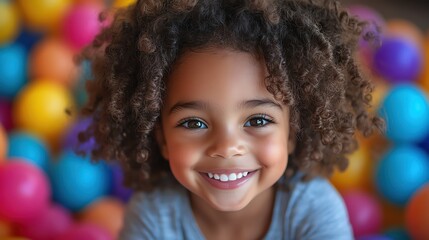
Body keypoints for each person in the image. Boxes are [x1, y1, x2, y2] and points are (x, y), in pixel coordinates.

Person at [79, 0, 384, 239]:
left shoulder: (311, 210)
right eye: (194, 123)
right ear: (161, 138)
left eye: (257, 120)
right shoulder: (154, 216)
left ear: (292, 132)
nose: (226, 147)